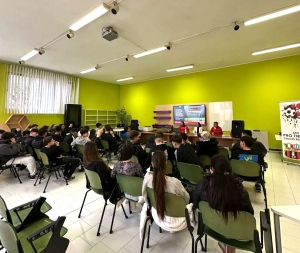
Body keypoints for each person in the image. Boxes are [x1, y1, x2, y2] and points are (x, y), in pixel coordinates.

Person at [193, 154, 254, 253]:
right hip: (236, 231)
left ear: (212, 170)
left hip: (212, 227)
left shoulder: (202, 185)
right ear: (229, 169)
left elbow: (196, 204)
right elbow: (250, 213)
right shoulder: (239, 188)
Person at [141, 151, 190, 233]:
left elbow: (145, 196)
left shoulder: (147, 178)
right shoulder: (175, 183)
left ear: (152, 164)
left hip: (157, 215)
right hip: (177, 221)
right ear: (166, 163)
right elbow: (186, 199)